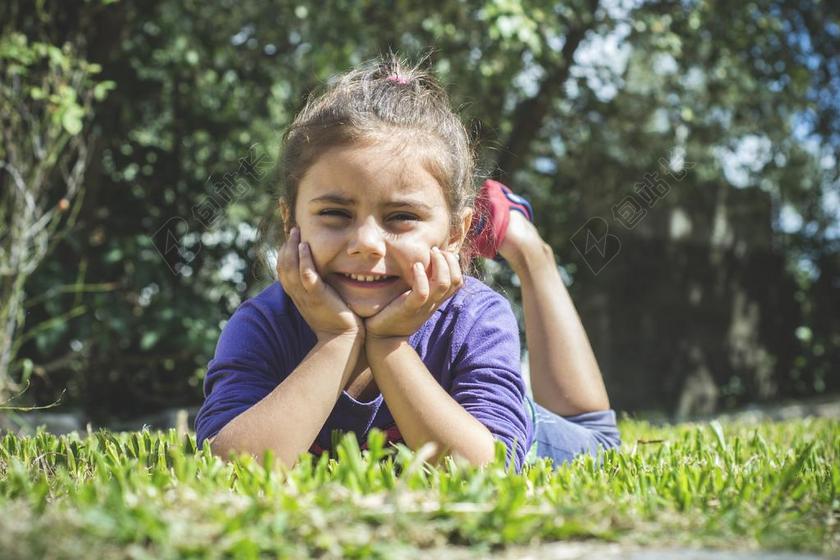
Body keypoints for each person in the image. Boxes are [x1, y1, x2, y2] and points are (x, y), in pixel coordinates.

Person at [194, 54, 620, 473]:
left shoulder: (476, 317)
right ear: (291, 221)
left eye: (401, 216)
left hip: (535, 432)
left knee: (600, 439)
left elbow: (483, 472)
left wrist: (388, 344)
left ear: (455, 233)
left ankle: (526, 246)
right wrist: (337, 339)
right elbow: (227, 466)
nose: (366, 244)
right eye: (335, 214)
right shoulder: (263, 324)